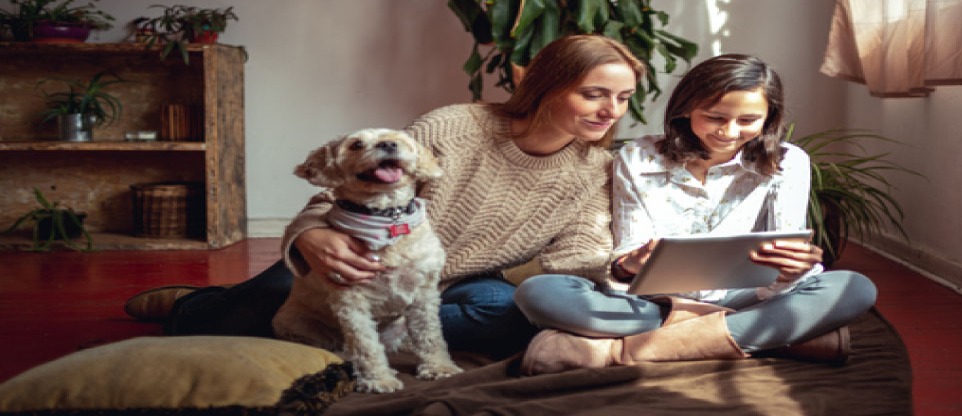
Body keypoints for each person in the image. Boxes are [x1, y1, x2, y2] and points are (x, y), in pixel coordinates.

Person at [123, 34, 646, 358]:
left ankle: (357, 337)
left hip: (456, 282)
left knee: (508, 313)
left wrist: (621, 269)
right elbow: (350, 184)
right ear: (547, 87)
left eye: (622, 98)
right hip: (361, 255)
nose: (611, 111)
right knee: (252, 313)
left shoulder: (595, 169)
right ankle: (196, 307)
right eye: (594, 93)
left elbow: (576, 253)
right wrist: (313, 235)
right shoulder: (455, 127)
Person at [513, 54, 879, 375]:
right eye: (715, 116)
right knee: (540, 292)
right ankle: (760, 336)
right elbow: (625, 256)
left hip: (748, 298)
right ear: (686, 108)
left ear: (768, 118)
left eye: (749, 120)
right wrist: (631, 264)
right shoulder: (638, 158)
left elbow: (782, 254)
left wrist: (792, 269)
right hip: (654, 304)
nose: (729, 132)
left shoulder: (788, 162)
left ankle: (624, 351)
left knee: (854, 289)